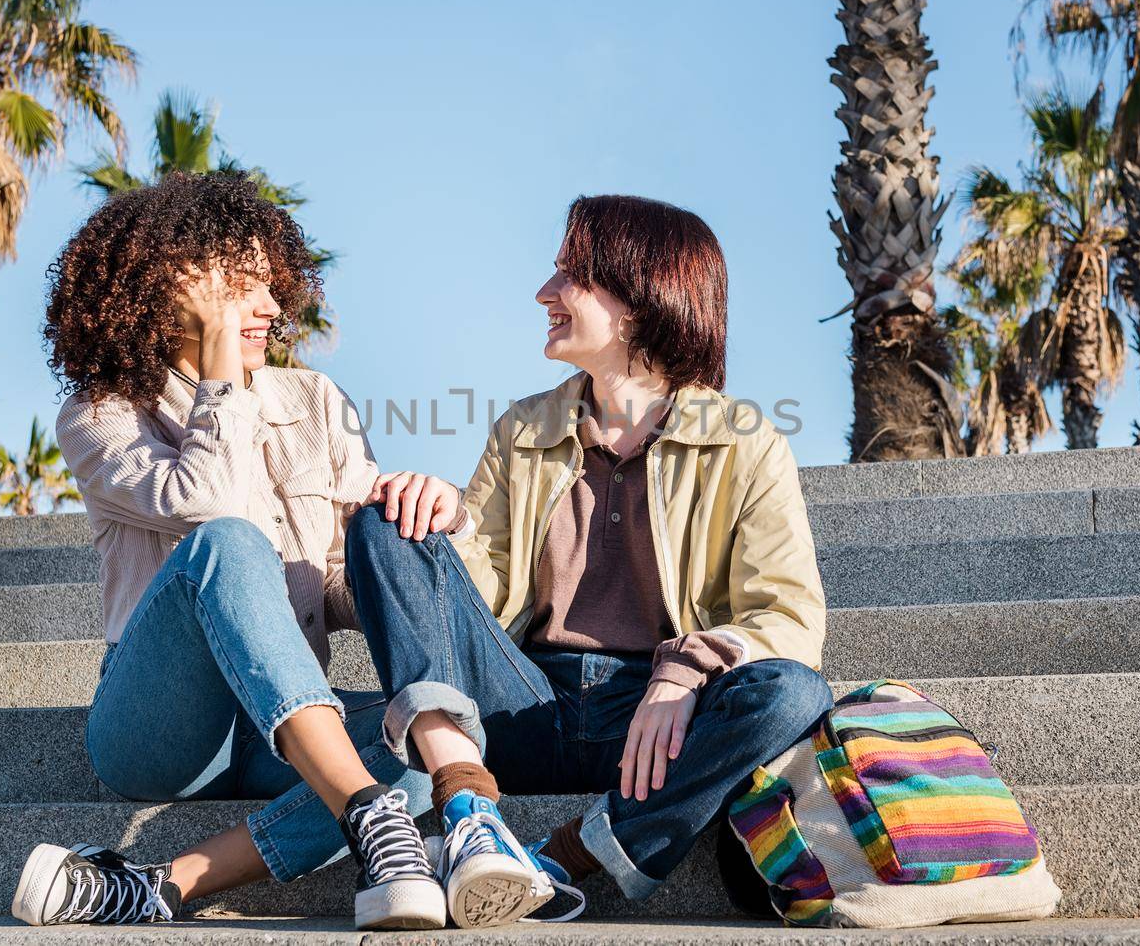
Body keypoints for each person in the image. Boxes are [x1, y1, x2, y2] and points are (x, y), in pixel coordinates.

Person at [347, 194, 834, 928]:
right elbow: (478, 590)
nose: (546, 293)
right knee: (387, 521)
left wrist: (687, 664)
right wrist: (439, 518)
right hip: (522, 704)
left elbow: (790, 617)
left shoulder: (745, 441)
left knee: (793, 693)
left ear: (639, 299)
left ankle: (566, 856)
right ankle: (469, 808)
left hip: (654, 727)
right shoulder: (523, 427)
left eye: (571, 275)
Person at [10, 172, 463, 930]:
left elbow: (342, 582)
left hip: (280, 725)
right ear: (174, 284)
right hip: (158, 726)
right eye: (245, 283)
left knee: (427, 737)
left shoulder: (314, 398)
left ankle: (164, 883)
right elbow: (210, 501)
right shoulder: (100, 415)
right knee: (228, 541)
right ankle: (362, 808)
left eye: (272, 281)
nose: (274, 307)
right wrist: (223, 374)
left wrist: (424, 516)